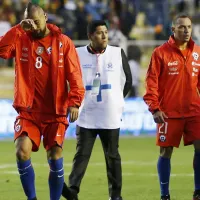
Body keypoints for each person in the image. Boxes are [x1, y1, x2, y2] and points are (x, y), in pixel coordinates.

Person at [0, 2, 85, 200]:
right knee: (22, 151)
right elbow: (1, 50)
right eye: (30, 22)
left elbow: (75, 76)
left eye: (37, 22)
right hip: (28, 111)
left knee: (54, 157)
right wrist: (19, 28)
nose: (34, 27)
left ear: (46, 16)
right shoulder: (21, 38)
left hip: (55, 113)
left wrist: (75, 101)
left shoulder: (64, 42)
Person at [62, 20, 132, 200]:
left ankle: (115, 195)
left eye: (106, 32)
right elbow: (67, 81)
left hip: (110, 114)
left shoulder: (117, 53)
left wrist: (115, 100)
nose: (104, 36)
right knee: (81, 155)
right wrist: (73, 103)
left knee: (113, 156)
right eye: (100, 33)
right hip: (86, 114)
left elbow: (128, 81)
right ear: (90, 36)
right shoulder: (77, 55)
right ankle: (73, 191)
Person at [143, 14, 200, 200]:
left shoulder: (197, 52)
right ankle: (164, 194)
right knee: (165, 151)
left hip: (194, 111)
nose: (186, 31)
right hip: (169, 113)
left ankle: (198, 191)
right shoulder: (160, 53)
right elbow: (151, 83)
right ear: (173, 29)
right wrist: (155, 108)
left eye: (189, 27)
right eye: (182, 27)